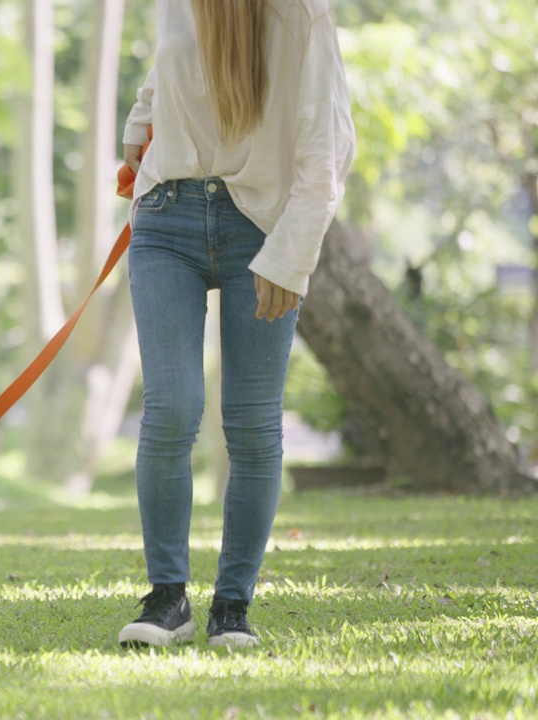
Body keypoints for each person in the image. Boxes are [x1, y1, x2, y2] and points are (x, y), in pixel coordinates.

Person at [117, 0, 355, 648]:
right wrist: (138, 134)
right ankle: (167, 598)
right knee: (170, 407)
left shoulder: (301, 15)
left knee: (251, 422)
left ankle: (232, 605)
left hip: (262, 226)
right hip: (167, 214)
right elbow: (163, 72)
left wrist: (291, 256)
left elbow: (327, 148)